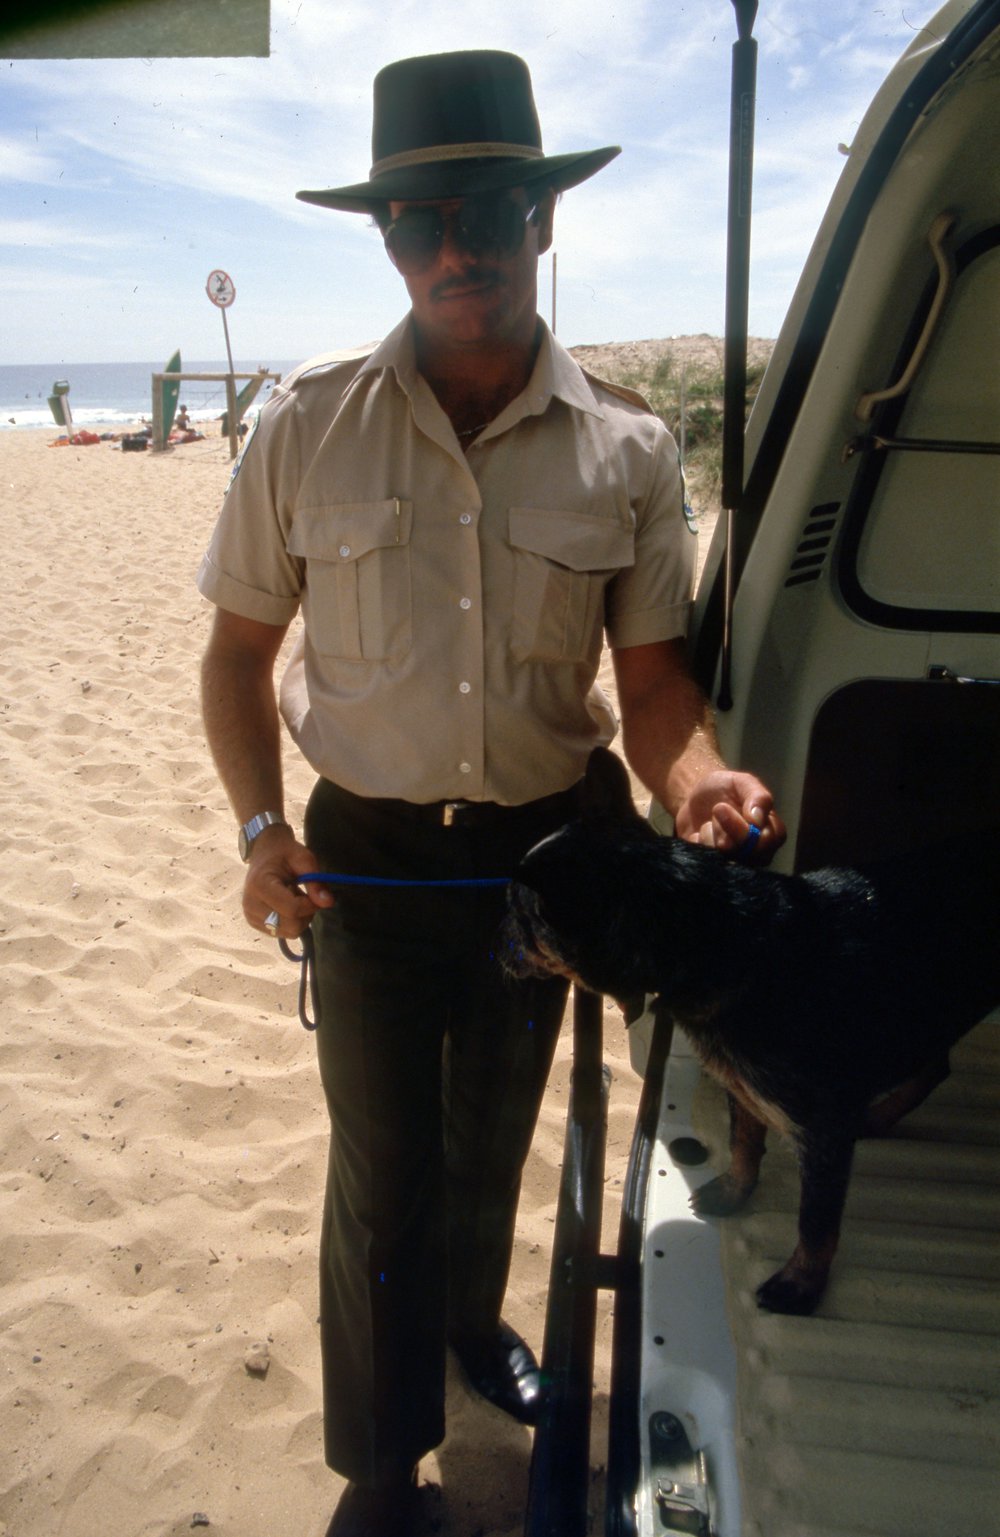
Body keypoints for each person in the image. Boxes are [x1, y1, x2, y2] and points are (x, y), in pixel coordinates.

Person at [197, 49, 784, 1537]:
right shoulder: (303, 425)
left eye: (496, 207)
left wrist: (699, 775)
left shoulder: (632, 446)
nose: (461, 244)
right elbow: (238, 654)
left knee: (493, 1132)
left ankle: (469, 1335)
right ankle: (385, 1465)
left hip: (546, 863)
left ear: (544, 219)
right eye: (423, 218)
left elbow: (652, 690)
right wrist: (263, 832)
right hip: (371, 867)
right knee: (382, 1166)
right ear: (388, 239)